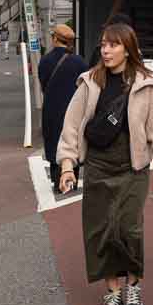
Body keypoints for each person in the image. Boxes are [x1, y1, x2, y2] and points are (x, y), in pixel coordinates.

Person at [57, 23, 153, 305]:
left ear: (128, 49)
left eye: (113, 45)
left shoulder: (149, 84)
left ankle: (133, 285)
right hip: (97, 165)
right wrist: (68, 166)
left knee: (128, 228)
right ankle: (112, 291)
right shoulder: (90, 81)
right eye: (104, 45)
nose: (106, 50)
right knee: (100, 230)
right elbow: (71, 126)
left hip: (132, 168)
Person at [39, 24, 90, 193]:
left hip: (52, 107)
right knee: (72, 138)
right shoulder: (79, 61)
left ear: (55, 39)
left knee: (53, 139)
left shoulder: (45, 60)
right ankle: (72, 176)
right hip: (73, 108)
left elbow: (43, 84)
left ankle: (56, 179)